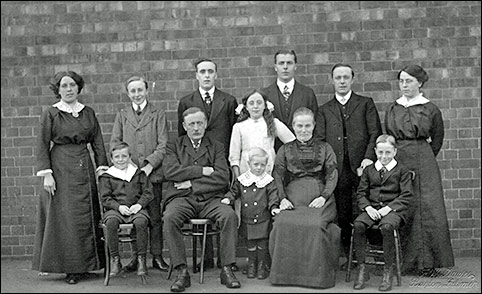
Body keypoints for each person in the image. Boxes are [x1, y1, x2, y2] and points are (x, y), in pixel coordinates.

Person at [32, 71, 108, 284]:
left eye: (72, 85)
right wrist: (46, 174)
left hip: (84, 166)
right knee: (66, 219)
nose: (69, 89)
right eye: (64, 86)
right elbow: (42, 144)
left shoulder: (88, 112)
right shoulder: (52, 113)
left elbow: (98, 142)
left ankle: (90, 265)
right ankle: (71, 268)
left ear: (78, 87)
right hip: (61, 167)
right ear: (58, 90)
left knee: (87, 213)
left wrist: (102, 167)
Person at [384, 64, 454, 274]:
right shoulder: (393, 107)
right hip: (399, 158)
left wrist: (424, 156)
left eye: (409, 81)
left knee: (428, 210)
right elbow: (387, 133)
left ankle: (427, 264)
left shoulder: (430, 108)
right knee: (402, 205)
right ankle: (402, 262)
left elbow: (437, 139)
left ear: (420, 83)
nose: (404, 85)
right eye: (402, 81)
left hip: (424, 162)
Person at [162, 107, 241, 292]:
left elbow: (222, 177)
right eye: (191, 124)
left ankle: (227, 268)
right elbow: (170, 171)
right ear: (184, 126)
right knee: (170, 217)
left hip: (211, 200)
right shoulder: (174, 145)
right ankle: (181, 271)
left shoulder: (216, 145)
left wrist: (191, 182)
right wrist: (202, 171)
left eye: (199, 123)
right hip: (182, 199)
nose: (196, 127)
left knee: (228, 216)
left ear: (205, 124)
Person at [315, 63, 382, 264]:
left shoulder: (365, 103)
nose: (342, 81)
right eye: (338, 78)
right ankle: (350, 256)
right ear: (332, 80)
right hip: (339, 169)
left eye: (346, 77)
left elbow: (375, 133)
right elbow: (320, 140)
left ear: (353, 79)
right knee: (343, 213)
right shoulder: (324, 109)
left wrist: (368, 158)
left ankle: (375, 254)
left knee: (370, 207)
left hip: (363, 166)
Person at [177, 57, 238, 270]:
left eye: (210, 71)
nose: (206, 75)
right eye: (202, 71)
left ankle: (225, 261)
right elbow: (182, 139)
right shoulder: (186, 101)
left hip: (218, 159)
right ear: (196, 75)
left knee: (219, 206)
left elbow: (233, 132)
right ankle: (205, 258)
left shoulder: (228, 100)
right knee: (200, 204)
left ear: (216, 74)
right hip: (197, 159)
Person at [269, 107, 340, 289]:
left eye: (307, 125)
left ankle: (316, 278)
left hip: (319, 195)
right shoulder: (285, 149)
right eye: (299, 126)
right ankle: (284, 276)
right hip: (293, 195)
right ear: (293, 126)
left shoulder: (325, 148)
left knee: (316, 225)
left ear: (314, 125)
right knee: (282, 223)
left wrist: (324, 197)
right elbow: (277, 175)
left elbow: (332, 173)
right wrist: (282, 198)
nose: (303, 130)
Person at [110, 75, 169, 272]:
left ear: (146, 91)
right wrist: (129, 168)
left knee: (155, 217)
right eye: (133, 91)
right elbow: (115, 143)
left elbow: (163, 145)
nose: (137, 94)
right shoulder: (122, 115)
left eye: (140, 90)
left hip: (152, 175)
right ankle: (137, 256)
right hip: (130, 177)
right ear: (128, 93)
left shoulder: (157, 114)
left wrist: (149, 165)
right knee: (136, 216)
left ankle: (157, 256)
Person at [352, 135, 413, 291]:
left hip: (393, 210)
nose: (384, 156)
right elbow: (361, 193)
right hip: (372, 208)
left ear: (395, 151)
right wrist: (368, 208)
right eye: (380, 152)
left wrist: (388, 208)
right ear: (375, 151)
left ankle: (388, 270)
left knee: (386, 227)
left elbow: (406, 195)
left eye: (388, 152)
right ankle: (361, 268)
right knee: (358, 225)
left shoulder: (402, 170)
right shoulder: (369, 170)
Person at [222, 147, 281, 280]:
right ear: (249, 164)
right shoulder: (243, 180)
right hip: (247, 218)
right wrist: (228, 198)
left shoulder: (268, 181)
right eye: (256, 164)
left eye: (262, 165)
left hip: (263, 218)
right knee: (250, 243)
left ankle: (261, 265)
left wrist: (273, 207)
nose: (259, 168)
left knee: (262, 243)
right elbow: (234, 191)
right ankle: (251, 264)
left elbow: (273, 196)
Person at [99, 142, 154, 278]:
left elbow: (148, 193)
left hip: (136, 208)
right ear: (112, 159)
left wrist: (139, 205)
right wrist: (118, 207)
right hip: (115, 210)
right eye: (117, 157)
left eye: (124, 156)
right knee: (111, 222)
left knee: (141, 222)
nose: (120, 160)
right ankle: (115, 259)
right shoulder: (107, 176)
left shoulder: (138, 174)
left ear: (129, 157)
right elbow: (105, 198)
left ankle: (141, 260)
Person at [229, 89, 295, 178]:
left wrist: (282, 160)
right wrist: (238, 178)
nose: (255, 106)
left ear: (265, 105)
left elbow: (292, 142)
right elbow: (234, 157)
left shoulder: (273, 123)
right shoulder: (239, 127)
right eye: (251, 103)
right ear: (246, 107)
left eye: (259, 103)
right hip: (246, 169)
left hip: (269, 168)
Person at [261, 49, 318, 151]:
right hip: (274, 152)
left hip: (302, 150)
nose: (285, 67)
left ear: (295, 66)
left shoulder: (307, 93)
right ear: (275, 67)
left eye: (289, 63)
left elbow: (315, 123)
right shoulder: (264, 95)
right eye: (281, 63)